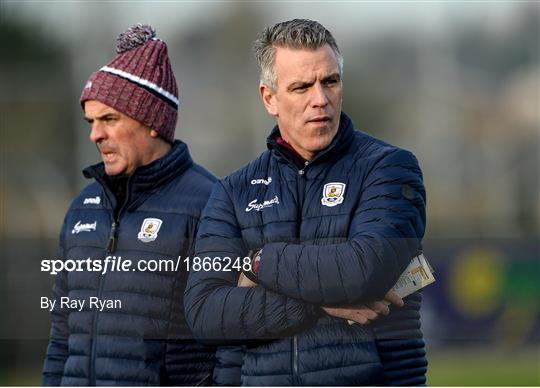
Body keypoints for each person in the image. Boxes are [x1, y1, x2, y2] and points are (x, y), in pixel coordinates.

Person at [184, 19, 427, 386]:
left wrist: (258, 263)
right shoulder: (234, 191)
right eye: (301, 87)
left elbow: (362, 272)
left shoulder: (389, 168)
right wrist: (317, 302)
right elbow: (205, 313)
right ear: (269, 98)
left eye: (330, 81)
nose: (320, 99)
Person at [42, 24, 216, 386]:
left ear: (152, 122)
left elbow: (230, 343)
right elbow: (61, 336)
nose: (95, 134)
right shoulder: (81, 209)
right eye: (91, 121)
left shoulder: (211, 204)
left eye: (109, 119)